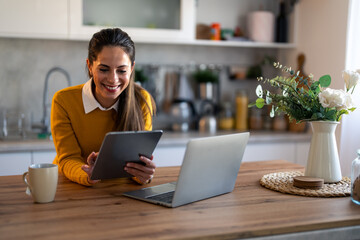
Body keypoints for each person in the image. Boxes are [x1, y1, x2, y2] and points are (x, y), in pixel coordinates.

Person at [51, 28, 156, 186]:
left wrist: (143, 175)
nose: (113, 79)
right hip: (75, 189)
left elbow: (138, 162)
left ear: (132, 68)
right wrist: (89, 174)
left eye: (121, 70)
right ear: (90, 66)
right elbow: (67, 158)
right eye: (104, 69)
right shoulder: (64, 101)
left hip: (122, 192)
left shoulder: (141, 100)